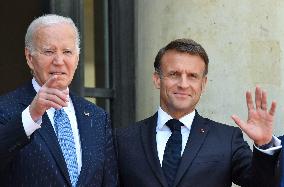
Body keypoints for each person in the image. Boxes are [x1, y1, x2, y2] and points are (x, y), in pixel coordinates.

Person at [115, 38, 281, 187]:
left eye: (193, 76)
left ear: (203, 83)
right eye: (174, 74)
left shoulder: (227, 139)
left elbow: (260, 184)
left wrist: (264, 144)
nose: (183, 84)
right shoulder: (123, 140)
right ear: (157, 79)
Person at [0, 14, 117, 187]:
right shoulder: (5, 109)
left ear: (77, 59)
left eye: (67, 52)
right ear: (29, 57)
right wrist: (31, 116)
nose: (59, 61)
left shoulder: (97, 117)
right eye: (49, 51)